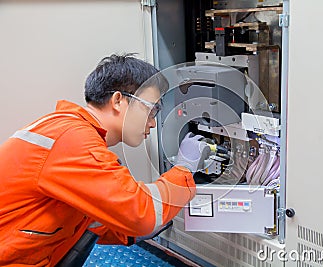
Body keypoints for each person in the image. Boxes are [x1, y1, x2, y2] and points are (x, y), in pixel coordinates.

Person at [0, 54, 209, 266]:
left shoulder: (65, 129)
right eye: (152, 109)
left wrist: (127, 231)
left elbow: (88, 219)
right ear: (118, 101)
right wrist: (184, 168)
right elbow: (141, 214)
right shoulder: (73, 139)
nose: (153, 123)